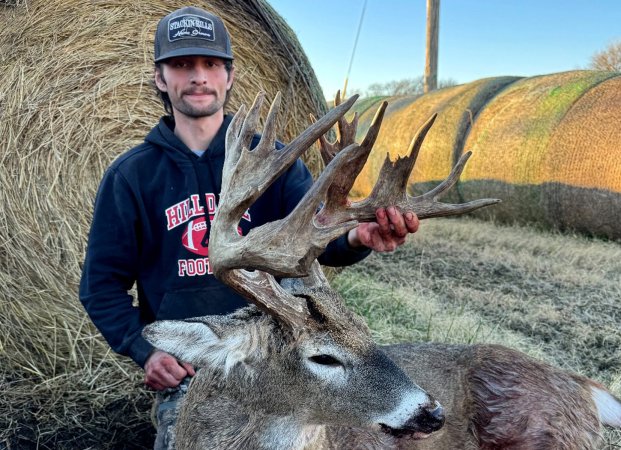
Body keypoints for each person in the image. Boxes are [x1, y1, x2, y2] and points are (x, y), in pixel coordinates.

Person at [79, 6, 420, 448]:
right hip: (197, 363)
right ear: (161, 78)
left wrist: (357, 237)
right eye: (181, 64)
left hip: (284, 357)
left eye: (211, 64)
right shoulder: (132, 176)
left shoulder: (275, 161)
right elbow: (100, 286)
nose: (198, 76)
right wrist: (146, 350)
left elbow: (315, 243)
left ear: (230, 75)